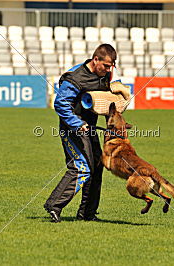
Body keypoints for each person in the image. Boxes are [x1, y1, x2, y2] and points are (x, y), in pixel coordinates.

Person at [44, 44, 121, 222]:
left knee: (97, 166)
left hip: (90, 126)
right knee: (81, 167)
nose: (109, 70)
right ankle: (54, 206)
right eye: (107, 66)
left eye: (112, 67)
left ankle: (87, 213)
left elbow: (108, 92)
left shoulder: (105, 74)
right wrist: (77, 123)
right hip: (72, 128)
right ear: (96, 60)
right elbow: (60, 104)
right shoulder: (75, 78)